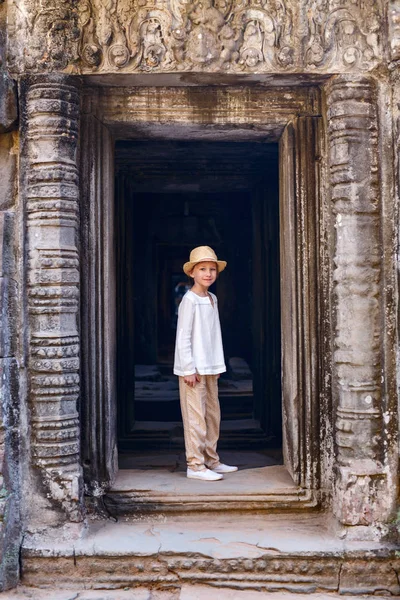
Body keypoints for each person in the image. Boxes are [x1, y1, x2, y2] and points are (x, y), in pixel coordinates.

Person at [174, 246, 238, 481]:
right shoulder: (189, 300)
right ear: (192, 273)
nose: (208, 273)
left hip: (210, 368)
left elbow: (213, 335)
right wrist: (188, 368)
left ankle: (212, 459)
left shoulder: (212, 298)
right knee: (196, 417)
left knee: (213, 415)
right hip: (194, 370)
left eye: (212, 269)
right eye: (202, 269)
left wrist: (217, 365)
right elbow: (183, 337)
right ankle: (195, 465)